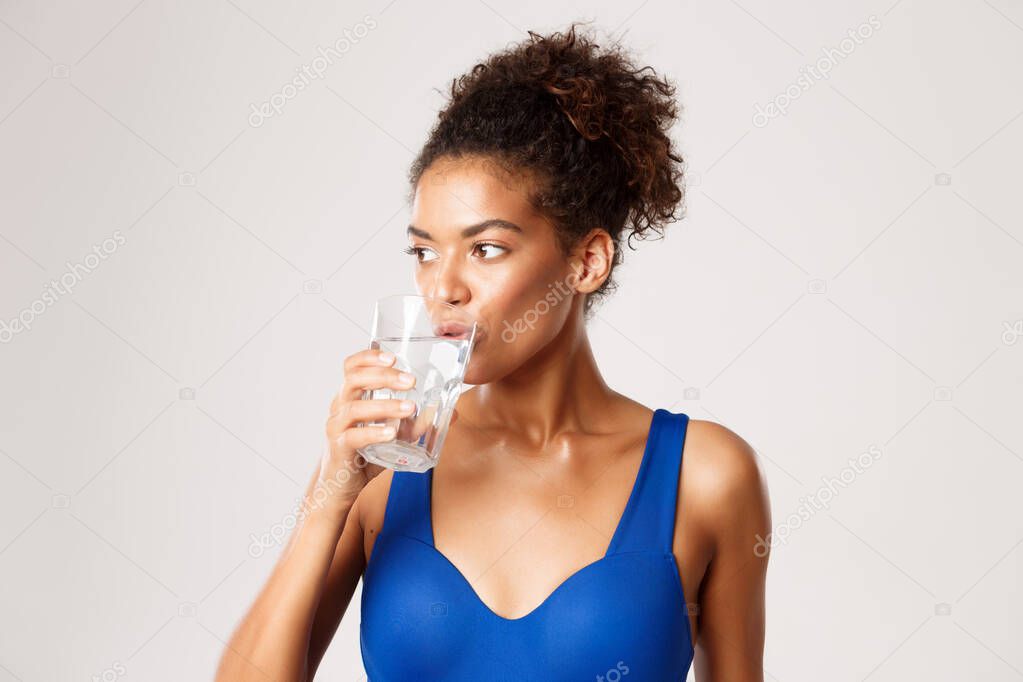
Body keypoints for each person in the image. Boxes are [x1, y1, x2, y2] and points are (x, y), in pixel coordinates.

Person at [216, 21, 771, 682]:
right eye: (424, 251)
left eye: (485, 249)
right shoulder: (383, 468)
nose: (442, 287)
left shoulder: (703, 477)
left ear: (586, 260)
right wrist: (326, 504)